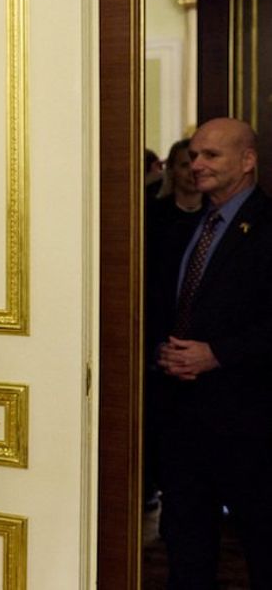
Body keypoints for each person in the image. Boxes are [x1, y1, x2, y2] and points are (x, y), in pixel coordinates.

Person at [146, 118, 272, 588]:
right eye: (194, 155)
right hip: (180, 421)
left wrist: (218, 354)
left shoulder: (265, 226)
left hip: (248, 423)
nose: (196, 164)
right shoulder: (182, 228)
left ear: (247, 161)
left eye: (211, 155)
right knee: (186, 547)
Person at [143, 137, 204, 514]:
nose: (194, 171)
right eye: (185, 163)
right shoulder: (153, 215)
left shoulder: (215, 218)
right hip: (159, 338)